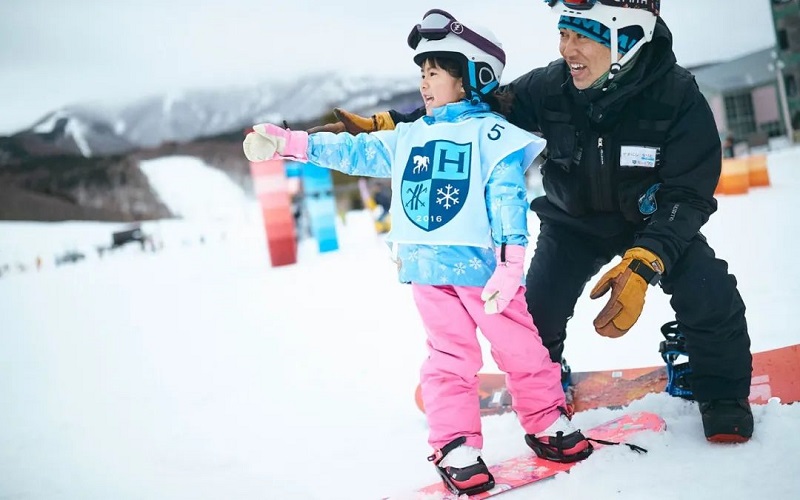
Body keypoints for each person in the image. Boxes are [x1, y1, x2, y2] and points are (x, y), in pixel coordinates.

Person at [309, 0, 755, 444]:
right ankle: (545, 379)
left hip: (651, 225)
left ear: (627, 37)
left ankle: (719, 392)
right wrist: (389, 125)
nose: (567, 49)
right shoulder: (549, 87)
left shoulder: (677, 97)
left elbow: (688, 194)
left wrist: (645, 262)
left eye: (582, 35)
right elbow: (469, 114)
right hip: (571, 224)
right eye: (563, 33)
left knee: (709, 290)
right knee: (532, 319)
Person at [243, 9, 592, 495]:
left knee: (521, 347)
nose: (424, 83)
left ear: (473, 76)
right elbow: (354, 152)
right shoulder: (409, 136)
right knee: (449, 358)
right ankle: (455, 445)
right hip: (429, 270)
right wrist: (292, 144)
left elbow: (506, 199)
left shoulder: (491, 136)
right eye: (421, 73)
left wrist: (512, 265)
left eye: (434, 72)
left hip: (483, 271)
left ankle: (545, 420)